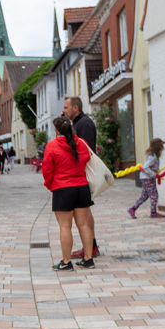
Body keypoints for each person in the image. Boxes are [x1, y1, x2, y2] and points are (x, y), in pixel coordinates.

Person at [43, 116, 94, 271]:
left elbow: (46, 169)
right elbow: (87, 159)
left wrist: (51, 185)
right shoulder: (81, 144)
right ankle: (88, 259)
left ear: (57, 130)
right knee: (84, 224)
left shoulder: (52, 146)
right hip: (82, 188)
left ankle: (66, 262)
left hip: (62, 188)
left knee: (65, 226)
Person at [62, 96, 100, 258]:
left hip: (83, 174)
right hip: (79, 175)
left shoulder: (83, 124)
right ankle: (91, 246)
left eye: (66, 107)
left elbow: (86, 150)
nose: (63, 110)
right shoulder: (76, 123)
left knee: (85, 214)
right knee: (86, 212)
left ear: (75, 108)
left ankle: (91, 247)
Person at [129, 138, 165, 219]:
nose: (162, 147)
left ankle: (132, 209)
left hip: (146, 178)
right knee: (154, 195)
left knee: (144, 196)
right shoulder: (152, 157)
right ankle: (153, 213)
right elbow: (145, 167)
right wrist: (153, 174)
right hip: (148, 178)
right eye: (161, 145)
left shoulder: (153, 155)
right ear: (157, 146)